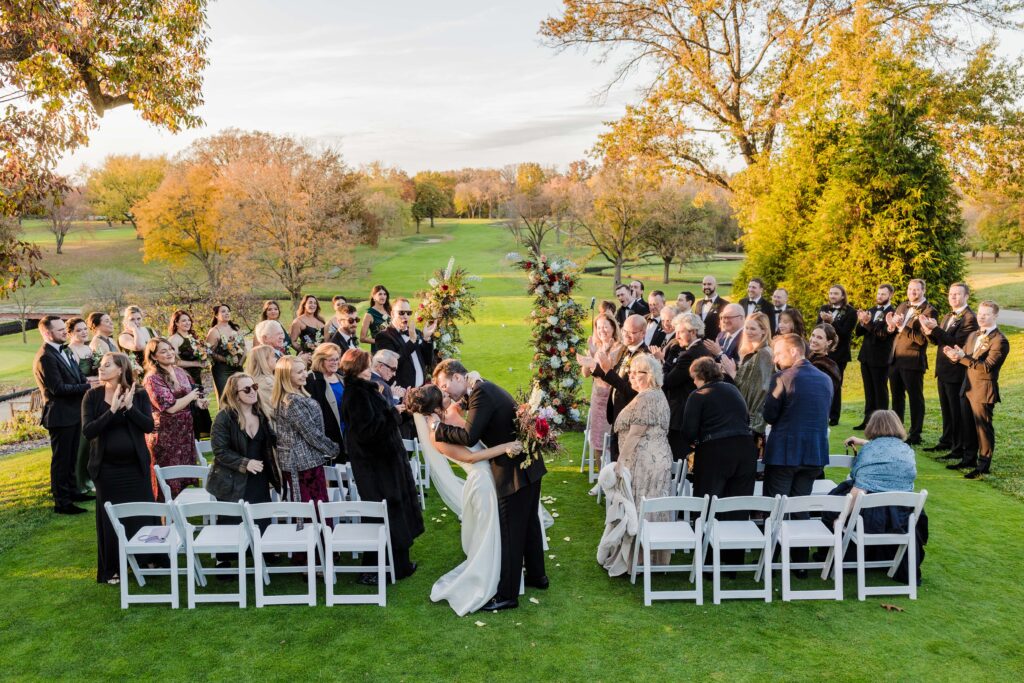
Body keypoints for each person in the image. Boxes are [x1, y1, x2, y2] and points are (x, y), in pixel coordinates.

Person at [434, 359, 547, 611]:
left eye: (445, 385)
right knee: (529, 524)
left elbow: (469, 436)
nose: (445, 392)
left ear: (458, 378)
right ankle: (538, 576)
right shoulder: (481, 387)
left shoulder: (481, 393)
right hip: (529, 464)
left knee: (511, 532)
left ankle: (507, 595)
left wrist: (437, 427)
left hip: (513, 471)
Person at [405, 384, 523, 615]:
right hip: (482, 484)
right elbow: (471, 457)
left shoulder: (448, 416)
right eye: (444, 395)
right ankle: (486, 580)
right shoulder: (435, 435)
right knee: (489, 536)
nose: (449, 395)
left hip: (491, 479)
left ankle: (504, 575)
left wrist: (473, 382)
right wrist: (505, 447)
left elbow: (470, 403)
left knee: (498, 533)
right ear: (436, 407)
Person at [341, 349, 423, 582]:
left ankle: (399, 565)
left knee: (393, 511)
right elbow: (369, 431)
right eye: (366, 367)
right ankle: (377, 570)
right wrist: (392, 413)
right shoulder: (356, 394)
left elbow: (382, 422)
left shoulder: (364, 391)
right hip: (376, 466)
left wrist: (401, 414)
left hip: (385, 461)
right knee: (384, 513)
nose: (370, 371)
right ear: (357, 369)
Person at [82, 352, 155, 584]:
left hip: (135, 467)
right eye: (100, 366)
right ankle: (112, 567)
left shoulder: (139, 393)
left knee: (142, 514)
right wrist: (112, 410)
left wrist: (130, 407)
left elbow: (148, 426)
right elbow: (89, 431)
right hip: (107, 470)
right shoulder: (92, 397)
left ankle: (148, 559)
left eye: (106, 366)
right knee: (110, 519)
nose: (100, 369)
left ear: (121, 369)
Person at [763, 334, 833, 567]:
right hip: (814, 452)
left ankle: (772, 559)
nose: (775, 358)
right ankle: (799, 562)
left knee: (777, 506)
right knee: (800, 506)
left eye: (779, 353)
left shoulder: (782, 377)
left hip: (785, 452)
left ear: (794, 351)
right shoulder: (825, 379)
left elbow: (770, 414)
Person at [611, 353, 673, 569]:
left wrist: (620, 462)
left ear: (653, 375)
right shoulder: (654, 394)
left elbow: (636, 434)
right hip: (654, 459)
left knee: (642, 506)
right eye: (631, 372)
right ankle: (648, 558)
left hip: (647, 462)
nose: (633, 376)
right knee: (649, 506)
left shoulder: (648, 397)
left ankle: (640, 559)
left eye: (640, 372)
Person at [33, 316, 95, 514]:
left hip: (74, 413)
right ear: (46, 333)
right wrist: (87, 386)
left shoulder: (64, 351)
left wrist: (83, 382)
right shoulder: (45, 357)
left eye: (63, 328)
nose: (63, 332)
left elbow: (77, 375)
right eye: (59, 330)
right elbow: (58, 389)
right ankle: (62, 502)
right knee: (61, 461)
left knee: (72, 458)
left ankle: (73, 491)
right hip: (60, 416)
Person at [943, 301, 1010, 479]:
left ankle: (983, 465)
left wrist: (962, 357)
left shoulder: (1000, 340)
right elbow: (964, 356)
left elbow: (987, 367)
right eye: (980, 313)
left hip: (983, 389)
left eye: (986, 314)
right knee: (968, 426)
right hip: (968, 386)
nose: (981, 316)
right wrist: (954, 356)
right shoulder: (973, 335)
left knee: (983, 428)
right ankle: (968, 459)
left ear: (995, 316)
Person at [679, 356, 756, 503]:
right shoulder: (733, 389)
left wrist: (694, 442)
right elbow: (746, 418)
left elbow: (689, 430)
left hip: (715, 450)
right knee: (737, 504)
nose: (694, 382)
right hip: (745, 448)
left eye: (694, 378)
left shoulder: (699, 395)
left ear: (701, 375)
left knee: (707, 502)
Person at [577, 314, 649, 461]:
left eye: (632, 332)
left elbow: (630, 390)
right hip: (616, 411)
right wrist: (594, 366)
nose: (627, 335)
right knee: (615, 453)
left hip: (629, 412)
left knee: (623, 458)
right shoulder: (627, 351)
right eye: (625, 331)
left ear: (643, 333)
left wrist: (604, 368)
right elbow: (613, 373)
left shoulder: (642, 356)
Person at [918, 282, 978, 457]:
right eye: (951, 294)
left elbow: (956, 342)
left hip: (956, 370)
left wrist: (934, 328)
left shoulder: (969, 318)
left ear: (966, 296)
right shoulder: (947, 315)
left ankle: (958, 448)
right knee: (946, 409)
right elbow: (939, 341)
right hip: (943, 368)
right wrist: (929, 332)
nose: (953, 297)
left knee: (956, 410)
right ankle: (946, 441)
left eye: (957, 294)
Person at [143, 338, 206, 501]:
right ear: (154, 357)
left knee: (183, 475)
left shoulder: (180, 371)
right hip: (165, 436)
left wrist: (199, 402)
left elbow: (192, 395)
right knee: (168, 479)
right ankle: (167, 519)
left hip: (185, 432)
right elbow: (170, 407)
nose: (169, 353)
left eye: (170, 349)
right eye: (163, 351)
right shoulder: (153, 378)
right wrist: (192, 396)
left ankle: (182, 516)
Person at [272, 356, 339, 502]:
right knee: (314, 509)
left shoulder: (297, 395)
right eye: (299, 372)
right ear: (286, 377)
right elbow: (311, 433)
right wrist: (333, 449)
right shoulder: (292, 401)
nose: (304, 374)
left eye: (304, 370)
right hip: (303, 464)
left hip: (306, 461)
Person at [206, 372, 280, 505]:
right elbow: (220, 451)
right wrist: (245, 463)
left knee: (262, 522)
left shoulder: (260, 414)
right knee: (236, 524)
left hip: (259, 478)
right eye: (247, 389)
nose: (252, 391)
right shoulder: (224, 418)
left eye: (254, 387)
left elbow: (273, 440)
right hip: (231, 482)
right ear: (235, 394)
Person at [887, 279, 937, 445]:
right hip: (895, 359)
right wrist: (892, 325)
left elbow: (923, 340)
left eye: (916, 290)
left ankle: (915, 435)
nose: (912, 292)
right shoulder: (902, 306)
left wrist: (902, 327)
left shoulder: (929, 311)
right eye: (910, 289)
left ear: (923, 291)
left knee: (915, 398)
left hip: (913, 361)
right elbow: (895, 330)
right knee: (897, 397)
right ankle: (896, 430)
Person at [659, 313, 713, 461]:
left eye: (680, 332)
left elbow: (668, 381)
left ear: (693, 332)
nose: (676, 336)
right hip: (692, 412)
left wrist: (662, 363)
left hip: (681, 415)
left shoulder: (690, 354)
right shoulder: (701, 350)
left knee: (678, 459)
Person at [722, 312, 774, 443]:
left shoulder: (764, 354)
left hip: (751, 424)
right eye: (747, 328)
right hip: (746, 420)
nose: (748, 332)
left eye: (753, 328)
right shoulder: (756, 352)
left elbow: (757, 390)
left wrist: (732, 373)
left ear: (763, 331)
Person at [842, 411, 917, 495]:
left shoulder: (868, 450)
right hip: (903, 505)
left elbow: (855, 475)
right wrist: (863, 442)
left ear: (871, 426)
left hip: (869, 505)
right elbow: (885, 448)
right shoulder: (906, 449)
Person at [582, 313, 622, 466]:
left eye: (605, 326)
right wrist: (591, 356)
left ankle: (612, 476)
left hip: (611, 399)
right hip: (597, 398)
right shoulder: (596, 346)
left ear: (613, 327)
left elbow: (609, 372)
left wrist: (597, 357)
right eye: (599, 327)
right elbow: (585, 374)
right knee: (597, 438)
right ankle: (601, 479)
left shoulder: (619, 348)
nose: (602, 330)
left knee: (611, 440)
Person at [853, 283, 895, 430]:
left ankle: (881, 423)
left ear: (890, 295)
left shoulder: (892, 313)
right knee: (869, 391)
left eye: (883, 294)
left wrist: (868, 322)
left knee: (880, 392)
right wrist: (861, 321)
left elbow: (882, 335)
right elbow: (858, 333)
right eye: (878, 293)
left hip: (881, 358)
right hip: (865, 357)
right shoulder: (871, 310)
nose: (879, 296)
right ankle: (867, 421)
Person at [374, 297, 437, 390]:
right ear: (392, 314)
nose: (405, 316)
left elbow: (428, 361)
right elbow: (393, 363)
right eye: (401, 312)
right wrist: (411, 341)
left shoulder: (416, 332)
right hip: (400, 391)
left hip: (420, 389)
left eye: (408, 313)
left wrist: (427, 339)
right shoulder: (384, 336)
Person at [167, 310, 212, 440]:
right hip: (185, 377)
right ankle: (192, 436)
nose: (187, 323)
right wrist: (196, 364)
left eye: (188, 320)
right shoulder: (174, 339)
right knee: (191, 404)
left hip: (197, 377)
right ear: (176, 323)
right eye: (183, 321)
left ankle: (203, 436)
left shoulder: (192, 337)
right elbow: (175, 361)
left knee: (200, 402)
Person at [816, 285, 857, 425]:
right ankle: (821, 413)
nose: (832, 296)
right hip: (822, 354)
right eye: (831, 293)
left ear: (843, 296)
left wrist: (832, 322)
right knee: (820, 383)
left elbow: (845, 333)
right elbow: (818, 329)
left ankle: (834, 416)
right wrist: (823, 321)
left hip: (840, 354)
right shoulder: (823, 308)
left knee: (835, 384)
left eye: (835, 293)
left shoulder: (851, 312)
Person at [304, 343, 347, 462]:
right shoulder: (311, 379)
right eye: (331, 359)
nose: (335, 362)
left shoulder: (341, 378)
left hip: (345, 432)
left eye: (337, 359)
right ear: (320, 360)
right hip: (328, 436)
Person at [206, 303, 245, 399]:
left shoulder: (236, 328)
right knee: (225, 397)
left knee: (241, 394)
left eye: (228, 311)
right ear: (216, 315)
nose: (227, 313)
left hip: (238, 366)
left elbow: (243, 347)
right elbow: (209, 352)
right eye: (223, 311)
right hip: (222, 370)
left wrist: (241, 361)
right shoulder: (214, 331)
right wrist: (226, 359)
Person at [808, 323, 842, 407]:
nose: (814, 340)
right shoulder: (807, 358)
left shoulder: (829, 366)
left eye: (819, 337)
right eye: (813, 335)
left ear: (828, 342)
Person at [243, 344, 278, 413]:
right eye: (274, 356)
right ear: (264, 360)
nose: (276, 359)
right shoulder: (267, 382)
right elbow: (277, 408)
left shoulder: (251, 379)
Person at [694, 275, 728, 340]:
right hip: (699, 343)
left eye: (709, 284)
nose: (706, 287)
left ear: (716, 286)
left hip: (715, 343)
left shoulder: (724, 304)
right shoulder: (698, 304)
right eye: (704, 284)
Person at [359, 285, 392, 351]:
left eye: (384, 294)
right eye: (380, 294)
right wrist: (380, 341)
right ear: (374, 297)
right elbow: (362, 338)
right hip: (379, 350)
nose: (383, 296)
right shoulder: (369, 314)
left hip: (393, 348)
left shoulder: (390, 311)